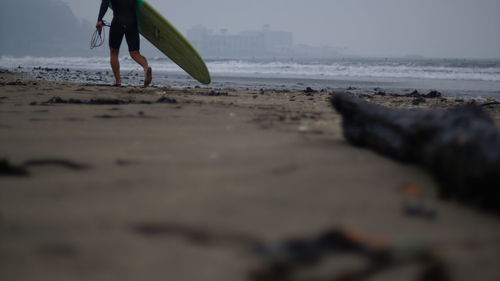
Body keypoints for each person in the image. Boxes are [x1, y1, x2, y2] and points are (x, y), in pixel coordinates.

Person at [96, 0, 152, 87]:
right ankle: (146, 68)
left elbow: (105, 3)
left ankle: (118, 81)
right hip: (132, 23)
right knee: (135, 53)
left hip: (117, 22)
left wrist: (99, 20)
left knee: (114, 52)